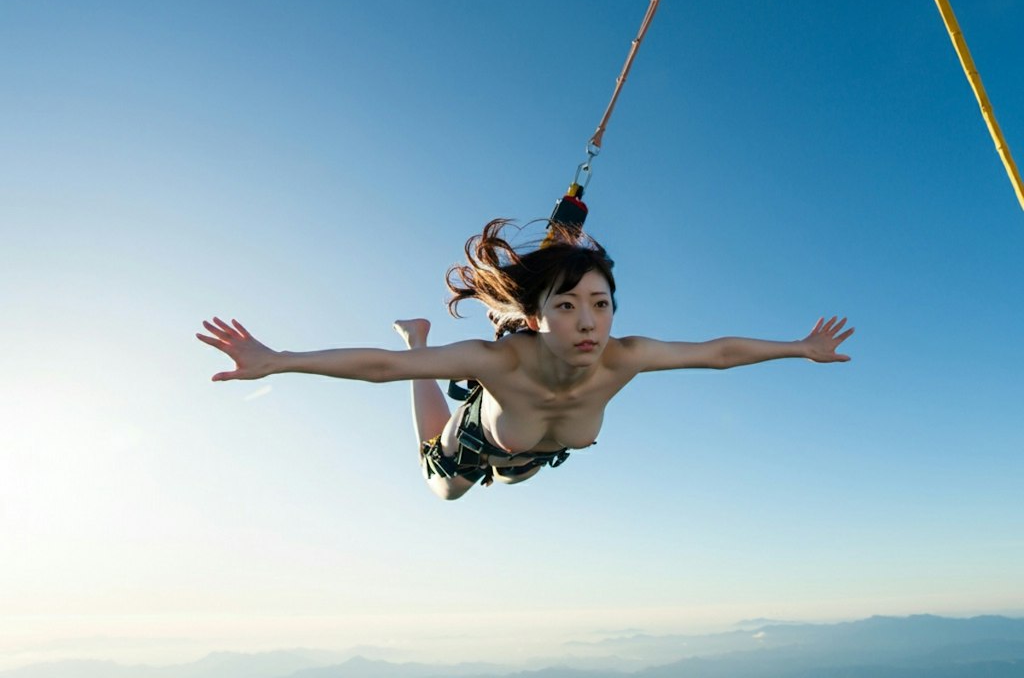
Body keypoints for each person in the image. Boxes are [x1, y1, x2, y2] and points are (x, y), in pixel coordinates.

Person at [197, 218, 853, 501]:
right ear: (539, 317)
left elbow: (717, 353)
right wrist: (277, 359)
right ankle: (419, 337)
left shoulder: (625, 357)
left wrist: (801, 348)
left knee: (517, 476)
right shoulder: (500, 362)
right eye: (567, 307)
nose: (590, 321)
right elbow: (378, 369)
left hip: (538, 451)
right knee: (439, 483)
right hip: (482, 442)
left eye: (600, 303)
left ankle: (477, 389)